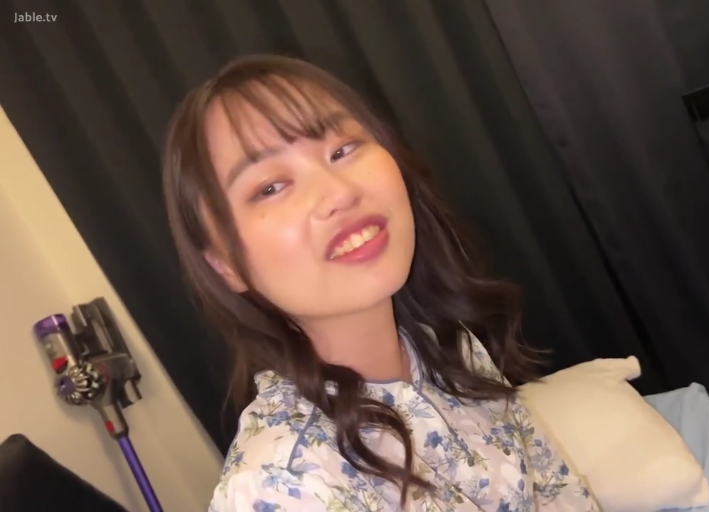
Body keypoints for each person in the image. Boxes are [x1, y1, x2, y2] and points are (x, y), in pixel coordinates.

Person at [161, 54, 601, 511]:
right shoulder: (284, 486)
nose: (339, 192)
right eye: (271, 187)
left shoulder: (451, 350)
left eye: (342, 150)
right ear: (224, 266)